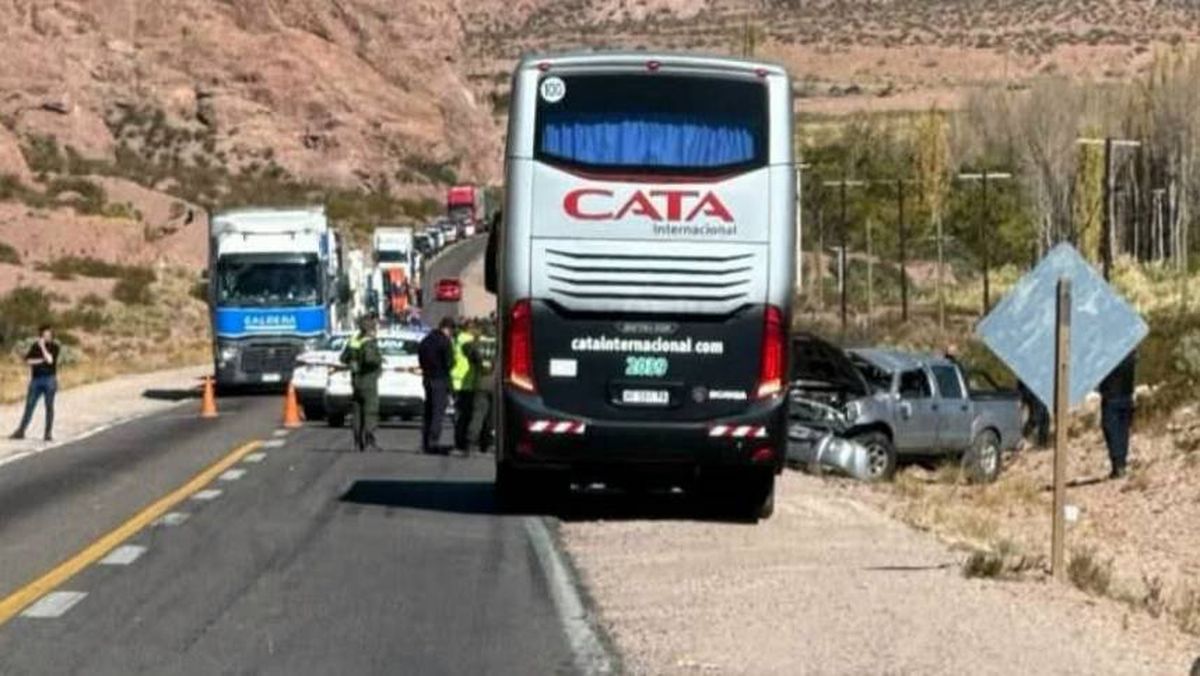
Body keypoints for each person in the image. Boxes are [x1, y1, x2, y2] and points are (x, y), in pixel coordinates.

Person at [9, 324, 61, 442]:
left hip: (49, 379)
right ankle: (21, 431)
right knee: (29, 405)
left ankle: (47, 433)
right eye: (44, 335)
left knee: (49, 407)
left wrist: (43, 348)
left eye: (48, 335)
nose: (46, 337)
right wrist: (40, 360)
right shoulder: (34, 346)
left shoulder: (55, 346)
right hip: (36, 380)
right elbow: (28, 360)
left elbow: (50, 360)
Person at [340, 315, 383, 452]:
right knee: (370, 410)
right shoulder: (368, 342)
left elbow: (343, 358)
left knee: (357, 412)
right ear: (369, 328)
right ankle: (369, 438)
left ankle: (357, 441)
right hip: (368, 380)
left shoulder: (353, 341)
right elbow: (370, 360)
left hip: (356, 381)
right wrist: (379, 360)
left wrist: (354, 363)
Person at [419, 317, 455, 453]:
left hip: (427, 378)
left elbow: (421, 359)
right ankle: (433, 441)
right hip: (440, 379)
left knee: (428, 411)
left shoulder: (425, 341)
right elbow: (450, 362)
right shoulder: (444, 342)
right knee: (438, 412)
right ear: (447, 329)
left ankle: (425, 441)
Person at [1099, 350, 1136, 479]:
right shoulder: (1130, 353)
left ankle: (1118, 464)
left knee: (1112, 429)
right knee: (1122, 430)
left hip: (1112, 396)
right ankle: (1121, 464)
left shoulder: (1109, 353)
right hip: (1127, 396)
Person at [466, 321, 498, 453]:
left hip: (480, 382)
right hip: (496, 383)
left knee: (478, 414)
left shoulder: (477, 344)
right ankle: (491, 443)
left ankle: (471, 441)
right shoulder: (499, 344)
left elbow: (467, 350)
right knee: (494, 416)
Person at [451, 319, 479, 452]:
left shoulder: (456, 339)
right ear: (470, 329)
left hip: (456, 380)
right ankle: (462, 443)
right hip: (467, 381)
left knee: (459, 415)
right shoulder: (470, 341)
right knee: (466, 415)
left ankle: (458, 441)